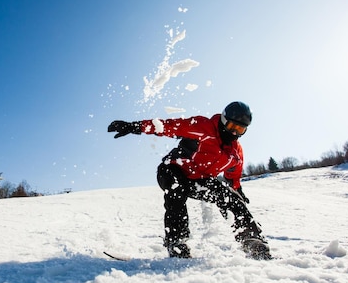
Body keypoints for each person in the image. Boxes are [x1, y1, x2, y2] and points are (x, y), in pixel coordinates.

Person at [108, 101, 271, 259]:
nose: (235, 132)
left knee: (232, 199)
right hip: (172, 169)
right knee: (177, 191)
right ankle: (177, 243)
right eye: (232, 127)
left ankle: (252, 240)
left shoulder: (235, 151)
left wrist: (236, 188)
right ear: (223, 120)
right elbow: (168, 126)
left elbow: (234, 172)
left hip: (200, 180)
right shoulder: (203, 127)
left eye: (240, 129)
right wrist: (134, 126)